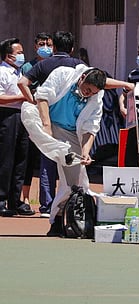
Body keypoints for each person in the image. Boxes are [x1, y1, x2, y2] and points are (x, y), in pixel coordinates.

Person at [21, 64, 134, 236]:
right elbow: (43, 97)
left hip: (69, 132)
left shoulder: (97, 97)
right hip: (44, 119)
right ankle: (47, 143)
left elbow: (91, 128)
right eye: (87, 90)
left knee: (75, 179)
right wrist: (46, 126)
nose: (89, 94)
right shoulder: (63, 74)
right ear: (82, 78)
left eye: (93, 92)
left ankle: (58, 220)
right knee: (30, 114)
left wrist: (86, 152)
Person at [17, 31, 85, 218]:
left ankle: (47, 205)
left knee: (48, 162)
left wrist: (31, 101)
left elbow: (22, 82)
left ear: (53, 47)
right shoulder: (79, 65)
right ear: (72, 48)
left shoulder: (43, 64)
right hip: (71, 123)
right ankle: (71, 204)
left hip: (47, 120)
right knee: (72, 164)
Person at [21, 32, 53, 215]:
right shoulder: (28, 67)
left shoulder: (52, 65)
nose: (46, 47)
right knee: (29, 157)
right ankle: (24, 197)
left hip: (49, 116)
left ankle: (47, 201)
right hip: (32, 115)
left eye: (49, 44)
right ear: (35, 46)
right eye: (42, 44)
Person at [0, 38, 33, 217]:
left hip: (23, 116)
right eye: (19, 53)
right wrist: (22, 97)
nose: (22, 55)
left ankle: (15, 199)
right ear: (8, 56)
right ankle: (1, 199)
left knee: (22, 158)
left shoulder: (22, 73)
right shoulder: (2, 72)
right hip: (7, 116)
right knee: (6, 158)